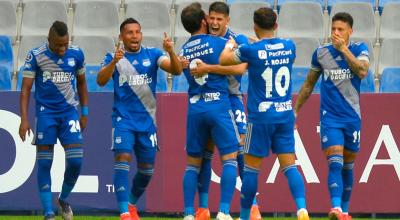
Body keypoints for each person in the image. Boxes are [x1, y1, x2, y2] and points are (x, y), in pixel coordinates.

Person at [219, 7, 310, 220]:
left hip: (260, 117)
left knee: (251, 171)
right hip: (284, 114)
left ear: (255, 26)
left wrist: (231, 43)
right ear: (276, 25)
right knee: (290, 166)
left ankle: (243, 216)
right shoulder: (289, 46)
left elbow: (224, 59)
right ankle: (302, 209)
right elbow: (267, 49)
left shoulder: (250, 51)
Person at [97, 18, 182, 220]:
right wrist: (113, 63)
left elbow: (177, 70)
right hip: (123, 120)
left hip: (147, 123)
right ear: (121, 36)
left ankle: (131, 204)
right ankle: (124, 213)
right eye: (129, 32)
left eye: (137, 32)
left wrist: (170, 51)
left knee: (147, 170)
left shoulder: (152, 54)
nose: (134, 36)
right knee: (122, 157)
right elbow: (100, 81)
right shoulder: (113, 57)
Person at [190, 2, 261, 220]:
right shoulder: (203, 41)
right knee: (205, 152)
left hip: (232, 98)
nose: (214, 22)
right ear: (207, 19)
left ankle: (252, 205)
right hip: (207, 100)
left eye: (219, 19)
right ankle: (203, 209)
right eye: (211, 18)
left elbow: (246, 61)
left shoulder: (236, 40)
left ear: (227, 21)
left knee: (240, 149)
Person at [294, 12, 369, 220]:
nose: (335, 33)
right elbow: (309, 84)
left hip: (352, 116)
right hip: (330, 118)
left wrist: (343, 49)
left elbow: (362, 71)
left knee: (348, 165)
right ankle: (335, 207)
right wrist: (296, 110)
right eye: (333, 29)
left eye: (340, 30)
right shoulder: (321, 53)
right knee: (335, 161)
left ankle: (344, 211)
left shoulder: (359, 49)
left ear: (350, 32)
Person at [19, 20, 88, 220]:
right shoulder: (36, 55)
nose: (62, 48)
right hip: (46, 113)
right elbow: (25, 89)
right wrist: (24, 119)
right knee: (44, 163)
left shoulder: (77, 54)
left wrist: (84, 112)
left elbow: (82, 84)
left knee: (76, 161)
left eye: (65, 44)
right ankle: (48, 212)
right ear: (49, 39)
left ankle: (63, 199)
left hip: (69, 113)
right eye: (58, 45)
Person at [178, 3, 241, 220]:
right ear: (204, 20)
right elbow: (240, 68)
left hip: (195, 109)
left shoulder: (183, 51)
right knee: (230, 159)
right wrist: (234, 45)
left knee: (192, 164)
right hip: (219, 107)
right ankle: (223, 212)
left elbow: (177, 68)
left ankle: (188, 213)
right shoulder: (220, 43)